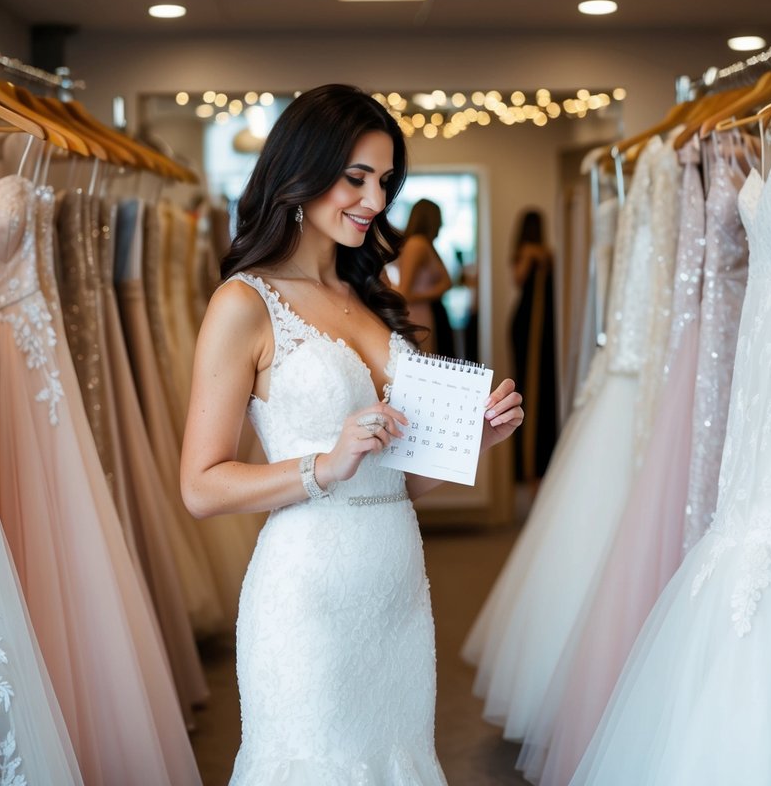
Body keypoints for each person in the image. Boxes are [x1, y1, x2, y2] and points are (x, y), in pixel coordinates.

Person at [179, 84, 523, 782]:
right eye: (355, 177)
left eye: (385, 181)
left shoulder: (372, 297)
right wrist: (321, 466)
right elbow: (200, 487)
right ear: (299, 174)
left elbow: (396, 481)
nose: (374, 199)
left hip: (397, 588)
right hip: (306, 593)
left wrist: (474, 439)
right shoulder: (243, 304)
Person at [509, 208, 558, 483]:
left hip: (540, 326)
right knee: (529, 387)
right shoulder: (529, 253)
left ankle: (539, 463)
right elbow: (518, 279)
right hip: (529, 326)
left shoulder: (546, 253)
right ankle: (528, 467)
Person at [396, 198, 456, 355]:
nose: (440, 225)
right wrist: (433, 294)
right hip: (421, 313)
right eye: (438, 219)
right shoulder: (417, 244)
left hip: (429, 310)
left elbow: (447, 282)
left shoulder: (426, 245)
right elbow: (405, 293)